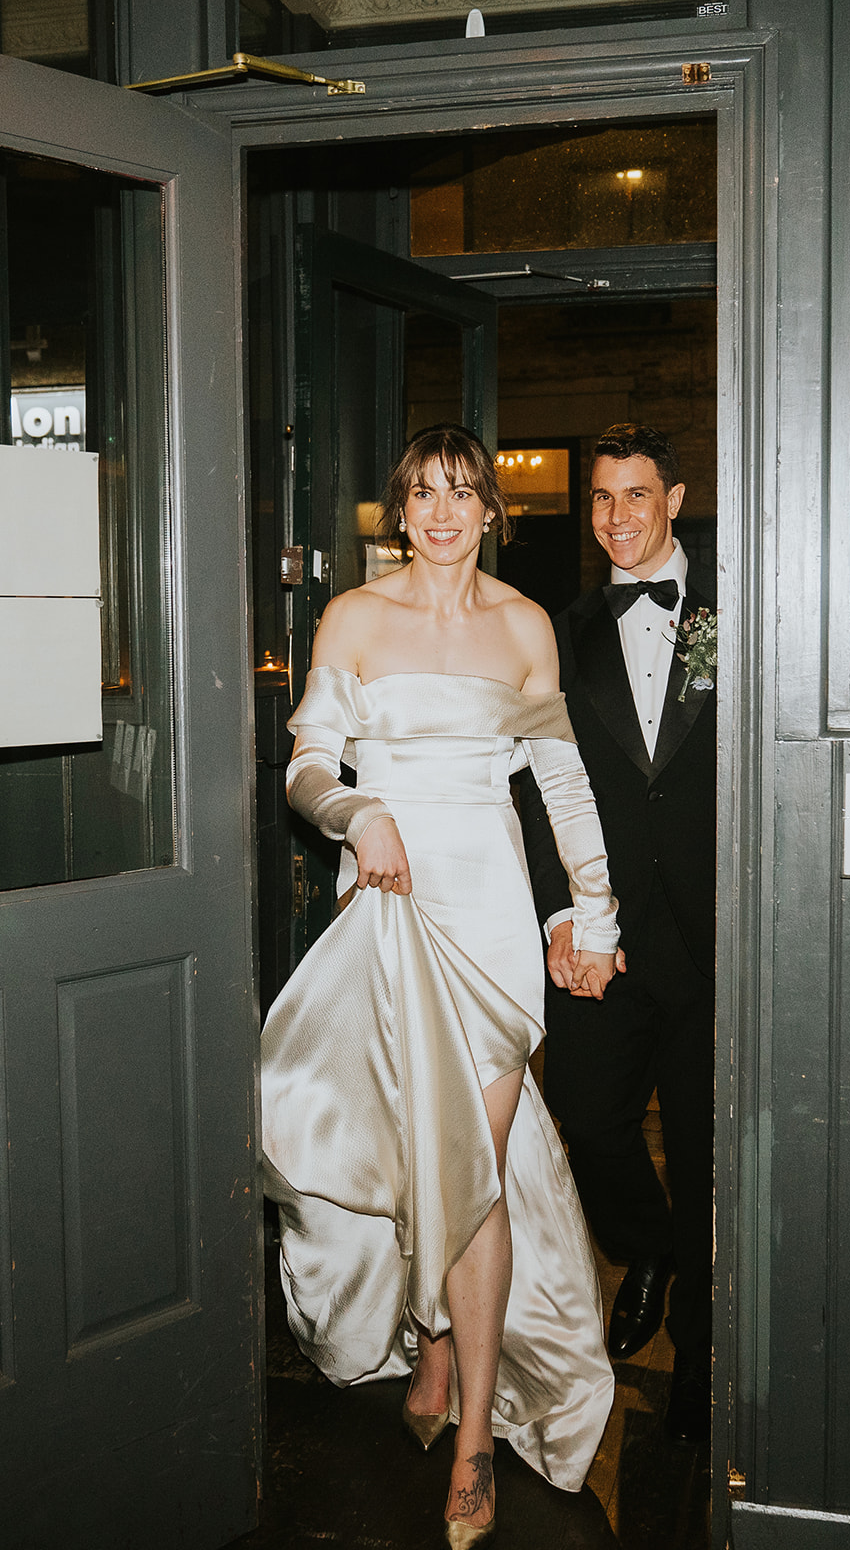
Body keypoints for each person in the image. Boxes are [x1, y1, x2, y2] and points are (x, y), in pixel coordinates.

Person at [260, 424, 623, 1548]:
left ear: (489, 511)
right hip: (386, 910)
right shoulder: (354, 620)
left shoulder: (523, 629)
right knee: (414, 1152)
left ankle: (473, 1442)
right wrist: (358, 812)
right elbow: (308, 761)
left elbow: (561, 784)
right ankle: (427, 1346)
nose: (441, 512)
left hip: (492, 927)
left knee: (474, 1177)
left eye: (461, 493)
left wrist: (594, 912)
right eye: (421, 493)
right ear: (398, 510)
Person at [519, 422, 715, 1445]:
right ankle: (648, 1247)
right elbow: (534, 783)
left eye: (635, 495)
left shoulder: (742, 613)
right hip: (597, 933)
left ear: (673, 498)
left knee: (703, 1148)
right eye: (600, 498)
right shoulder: (561, 631)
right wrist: (563, 908)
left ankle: (702, 1351)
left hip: (713, 939)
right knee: (588, 1117)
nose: (616, 518)